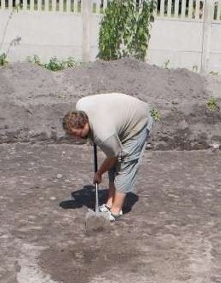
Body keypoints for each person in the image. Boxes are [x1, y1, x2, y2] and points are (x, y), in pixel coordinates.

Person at [62, 93, 153, 221]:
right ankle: (110, 203)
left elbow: (114, 156)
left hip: (139, 121)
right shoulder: (80, 105)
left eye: (78, 134)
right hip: (120, 116)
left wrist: (99, 173)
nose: (76, 138)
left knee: (124, 164)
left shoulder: (104, 135)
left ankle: (116, 210)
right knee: (113, 165)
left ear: (84, 124)